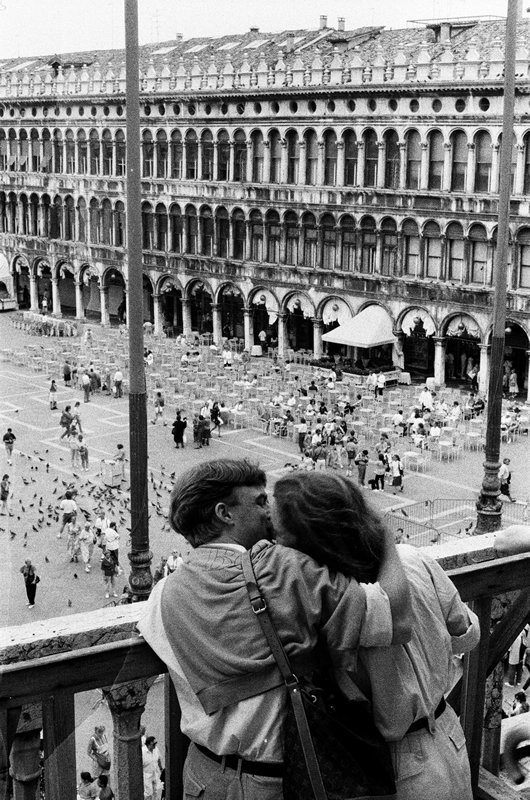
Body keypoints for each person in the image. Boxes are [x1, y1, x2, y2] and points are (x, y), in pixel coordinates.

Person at [137, 458, 411, 800]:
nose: (270, 512)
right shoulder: (284, 569)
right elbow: (395, 618)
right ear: (225, 513)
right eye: (259, 501)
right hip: (278, 780)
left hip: (202, 777)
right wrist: (384, 536)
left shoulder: (163, 593)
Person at [271, 471, 480, 800]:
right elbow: (468, 633)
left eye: (279, 536)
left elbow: (393, 722)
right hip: (450, 731)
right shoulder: (415, 560)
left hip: (404, 761)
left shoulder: (347, 613)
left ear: (307, 544)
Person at [142, 735, 163, 800]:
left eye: (155, 744)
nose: (155, 746)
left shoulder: (156, 749)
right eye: (153, 744)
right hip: (147, 774)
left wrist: (161, 768)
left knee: (156, 790)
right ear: (148, 745)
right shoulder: (142, 752)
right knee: (148, 793)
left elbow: (158, 759)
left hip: (155, 773)